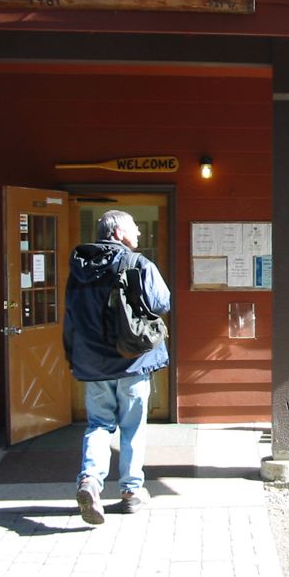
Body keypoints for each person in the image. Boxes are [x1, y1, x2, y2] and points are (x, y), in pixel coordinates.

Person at [64, 210, 171, 525]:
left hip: (94, 364)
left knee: (98, 425)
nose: (138, 233)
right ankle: (131, 491)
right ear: (119, 232)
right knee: (132, 427)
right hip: (131, 361)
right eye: (134, 228)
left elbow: (70, 317)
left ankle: (90, 481)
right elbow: (162, 302)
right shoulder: (137, 264)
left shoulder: (79, 268)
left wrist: (74, 356)